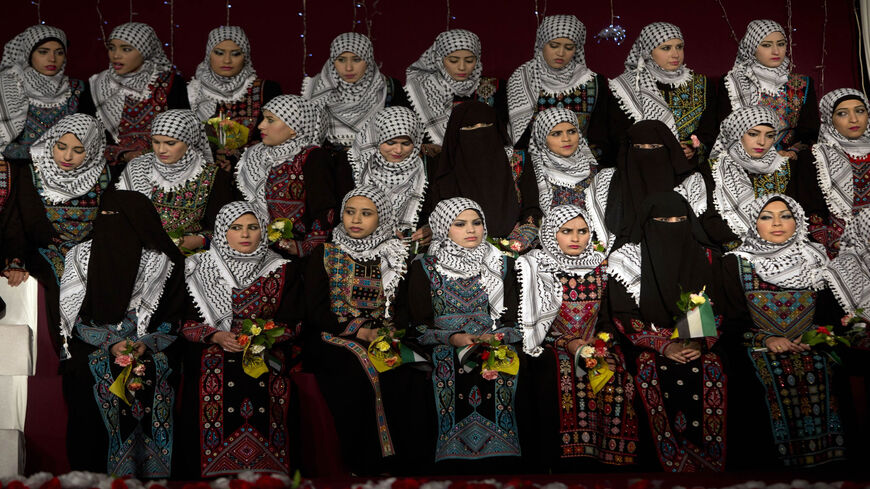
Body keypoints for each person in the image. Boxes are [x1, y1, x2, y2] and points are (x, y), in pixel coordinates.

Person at [59, 190, 186, 476]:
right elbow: (72, 317)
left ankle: (151, 473)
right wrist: (111, 343)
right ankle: (96, 474)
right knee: (93, 374)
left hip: (151, 345)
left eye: (114, 217)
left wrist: (145, 344)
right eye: (102, 216)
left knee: (154, 371)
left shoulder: (165, 261)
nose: (106, 222)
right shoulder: (81, 255)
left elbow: (174, 319)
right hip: (91, 343)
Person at [719, 194, 847, 468]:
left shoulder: (816, 259)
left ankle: (831, 468)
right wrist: (767, 339)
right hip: (757, 350)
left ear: (797, 220)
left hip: (812, 346)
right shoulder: (737, 262)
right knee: (757, 378)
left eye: (785, 216)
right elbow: (731, 322)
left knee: (826, 367)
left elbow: (832, 314)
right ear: (753, 223)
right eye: (766, 217)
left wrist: (815, 336)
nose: (777, 223)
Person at [308, 185, 429, 474]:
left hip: (382, 334)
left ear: (382, 217)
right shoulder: (325, 253)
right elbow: (314, 311)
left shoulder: (395, 255)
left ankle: (404, 465)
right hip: (334, 337)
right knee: (359, 370)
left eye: (366, 213)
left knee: (409, 371)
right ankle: (364, 462)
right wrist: (358, 331)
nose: (356, 220)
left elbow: (403, 309)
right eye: (350, 212)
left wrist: (390, 333)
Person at [178, 201, 304, 477]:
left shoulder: (282, 268)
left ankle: (268, 469)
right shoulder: (197, 267)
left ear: (263, 231)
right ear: (223, 232)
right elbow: (185, 323)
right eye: (236, 228)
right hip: (211, 348)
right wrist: (216, 336)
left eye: (253, 227)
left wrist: (260, 338)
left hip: (266, 349)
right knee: (216, 367)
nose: (245, 235)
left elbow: (293, 323)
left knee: (261, 374)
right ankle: (215, 472)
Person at [399, 197, 524, 472]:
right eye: (461, 224)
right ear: (444, 228)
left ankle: (502, 463)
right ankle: (451, 464)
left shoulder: (501, 263)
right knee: (448, 364)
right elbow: (417, 325)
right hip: (444, 343)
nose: (472, 230)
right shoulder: (425, 266)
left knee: (504, 365)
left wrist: (497, 338)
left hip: (493, 340)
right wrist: (451, 338)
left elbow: (514, 319)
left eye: (477, 223)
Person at [606, 192, 727, 472]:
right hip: (646, 344)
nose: (671, 225)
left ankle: (709, 462)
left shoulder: (706, 256)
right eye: (663, 220)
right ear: (647, 223)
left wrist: (698, 343)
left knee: (710, 367)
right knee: (650, 369)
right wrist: (663, 345)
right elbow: (624, 315)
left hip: (695, 339)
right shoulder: (626, 261)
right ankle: (666, 464)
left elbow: (717, 306)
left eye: (679, 220)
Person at [516, 205, 638, 470]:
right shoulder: (537, 265)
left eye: (582, 231)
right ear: (551, 234)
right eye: (567, 231)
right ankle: (565, 464)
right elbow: (533, 323)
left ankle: (609, 463)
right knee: (562, 370)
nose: (575, 238)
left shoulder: (601, 266)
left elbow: (608, 317)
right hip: (551, 347)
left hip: (594, 344)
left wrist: (600, 342)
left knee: (615, 371)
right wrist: (566, 343)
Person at [3, 114, 110, 352]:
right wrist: (64, 246)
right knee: (62, 268)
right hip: (45, 247)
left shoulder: (104, 174)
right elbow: (30, 223)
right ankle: (69, 345)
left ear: (91, 149)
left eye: (78, 150)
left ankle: (105, 341)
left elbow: (107, 219)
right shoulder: (32, 171)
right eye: (61, 147)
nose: (67, 156)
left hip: (91, 245)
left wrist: (87, 246)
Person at [235, 94, 339, 257]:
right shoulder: (253, 156)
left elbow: (325, 211)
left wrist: (304, 247)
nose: (261, 126)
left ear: (293, 127)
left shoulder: (312, 157)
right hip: (256, 245)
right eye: (263, 119)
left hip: (298, 252)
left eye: (270, 120)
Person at [116, 109, 233, 253]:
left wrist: (199, 240)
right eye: (156, 142)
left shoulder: (214, 177)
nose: (161, 150)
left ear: (190, 141)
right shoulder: (138, 168)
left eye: (170, 143)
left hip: (189, 257)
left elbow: (228, 228)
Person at [427, 101, 538, 252]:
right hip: (457, 252)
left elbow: (531, 209)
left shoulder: (518, 161)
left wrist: (515, 243)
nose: (479, 134)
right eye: (469, 128)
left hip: (514, 252)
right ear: (455, 133)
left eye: (486, 126)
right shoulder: (443, 167)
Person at [707, 105, 824, 247]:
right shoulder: (714, 169)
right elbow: (710, 223)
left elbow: (798, 215)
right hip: (733, 248)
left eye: (769, 136)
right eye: (753, 134)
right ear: (736, 134)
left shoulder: (785, 166)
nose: (762, 142)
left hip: (784, 246)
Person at [609, 22, 717, 167]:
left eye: (679, 47)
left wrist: (693, 148)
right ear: (648, 51)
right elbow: (618, 136)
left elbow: (710, 130)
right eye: (666, 48)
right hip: (642, 169)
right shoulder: (627, 86)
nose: (675, 54)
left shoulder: (701, 84)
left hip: (690, 168)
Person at [90, 22, 189, 168]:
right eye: (112, 48)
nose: (116, 55)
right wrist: (123, 155)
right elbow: (87, 137)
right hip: (110, 167)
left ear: (145, 50)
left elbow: (184, 132)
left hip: (164, 165)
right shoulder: (97, 85)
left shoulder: (171, 83)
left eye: (126, 49)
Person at [507, 15, 608, 156]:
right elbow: (518, 135)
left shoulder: (591, 81)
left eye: (569, 47)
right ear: (542, 43)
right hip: (533, 163)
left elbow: (600, 134)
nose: (561, 53)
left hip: (581, 163)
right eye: (554, 45)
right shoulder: (523, 79)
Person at [590, 120, 708, 241]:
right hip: (625, 252)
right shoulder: (611, 180)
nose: (646, 153)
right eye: (639, 147)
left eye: (654, 146)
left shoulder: (689, 183)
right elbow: (603, 234)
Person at [187, 26, 282, 173]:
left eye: (236, 54)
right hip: (201, 173)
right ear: (208, 55)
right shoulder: (193, 92)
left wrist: (235, 157)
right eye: (219, 53)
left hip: (254, 170)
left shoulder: (266, 89)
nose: (227, 60)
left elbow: (277, 136)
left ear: (245, 56)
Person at [719, 19, 818, 159]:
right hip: (743, 158)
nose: (776, 51)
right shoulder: (733, 82)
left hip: (788, 158)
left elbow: (809, 131)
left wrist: (791, 151)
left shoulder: (801, 84)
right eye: (766, 45)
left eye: (781, 44)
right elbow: (726, 129)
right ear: (751, 48)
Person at [0, 25, 93, 164]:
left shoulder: (78, 89)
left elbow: (91, 138)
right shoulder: (9, 86)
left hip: (68, 169)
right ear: (29, 54)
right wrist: (38, 153)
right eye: (43, 52)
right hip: (20, 169)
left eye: (59, 53)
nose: (52, 59)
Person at [404, 29, 507, 154]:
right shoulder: (419, 90)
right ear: (439, 59)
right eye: (453, 60)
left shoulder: (495, 88)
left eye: (469, 60)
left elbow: (503, 135)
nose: (462, 67)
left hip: (483, 163)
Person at [303, 32, 408, 150]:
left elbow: (405, 131)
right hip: (328, 164)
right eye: (341, 60)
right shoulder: (317, 89)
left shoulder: (387, 87)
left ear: (368, 59)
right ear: (333, 61)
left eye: (356, 59)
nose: (348, 68)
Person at [347, 106, 432, 250]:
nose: (398, 150)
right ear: (377, 139)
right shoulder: (356, 167)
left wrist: (432, 228)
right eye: (390, 143)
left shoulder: (428, 168)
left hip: (412, 251)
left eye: (406, 143)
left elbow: (438, 211)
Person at [812, 88, 870, 256]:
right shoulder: (818, 158)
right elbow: (812, 214)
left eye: (860, 111)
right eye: (842, 114)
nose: (854, 119)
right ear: (829, 119)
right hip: (839, 244)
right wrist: (835, 241)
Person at [529, 107, 599, 215]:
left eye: (571, 131)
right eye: (556, 134)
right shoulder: (532, 171)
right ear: (542, 137)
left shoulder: (595, 171)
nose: (566, 139)